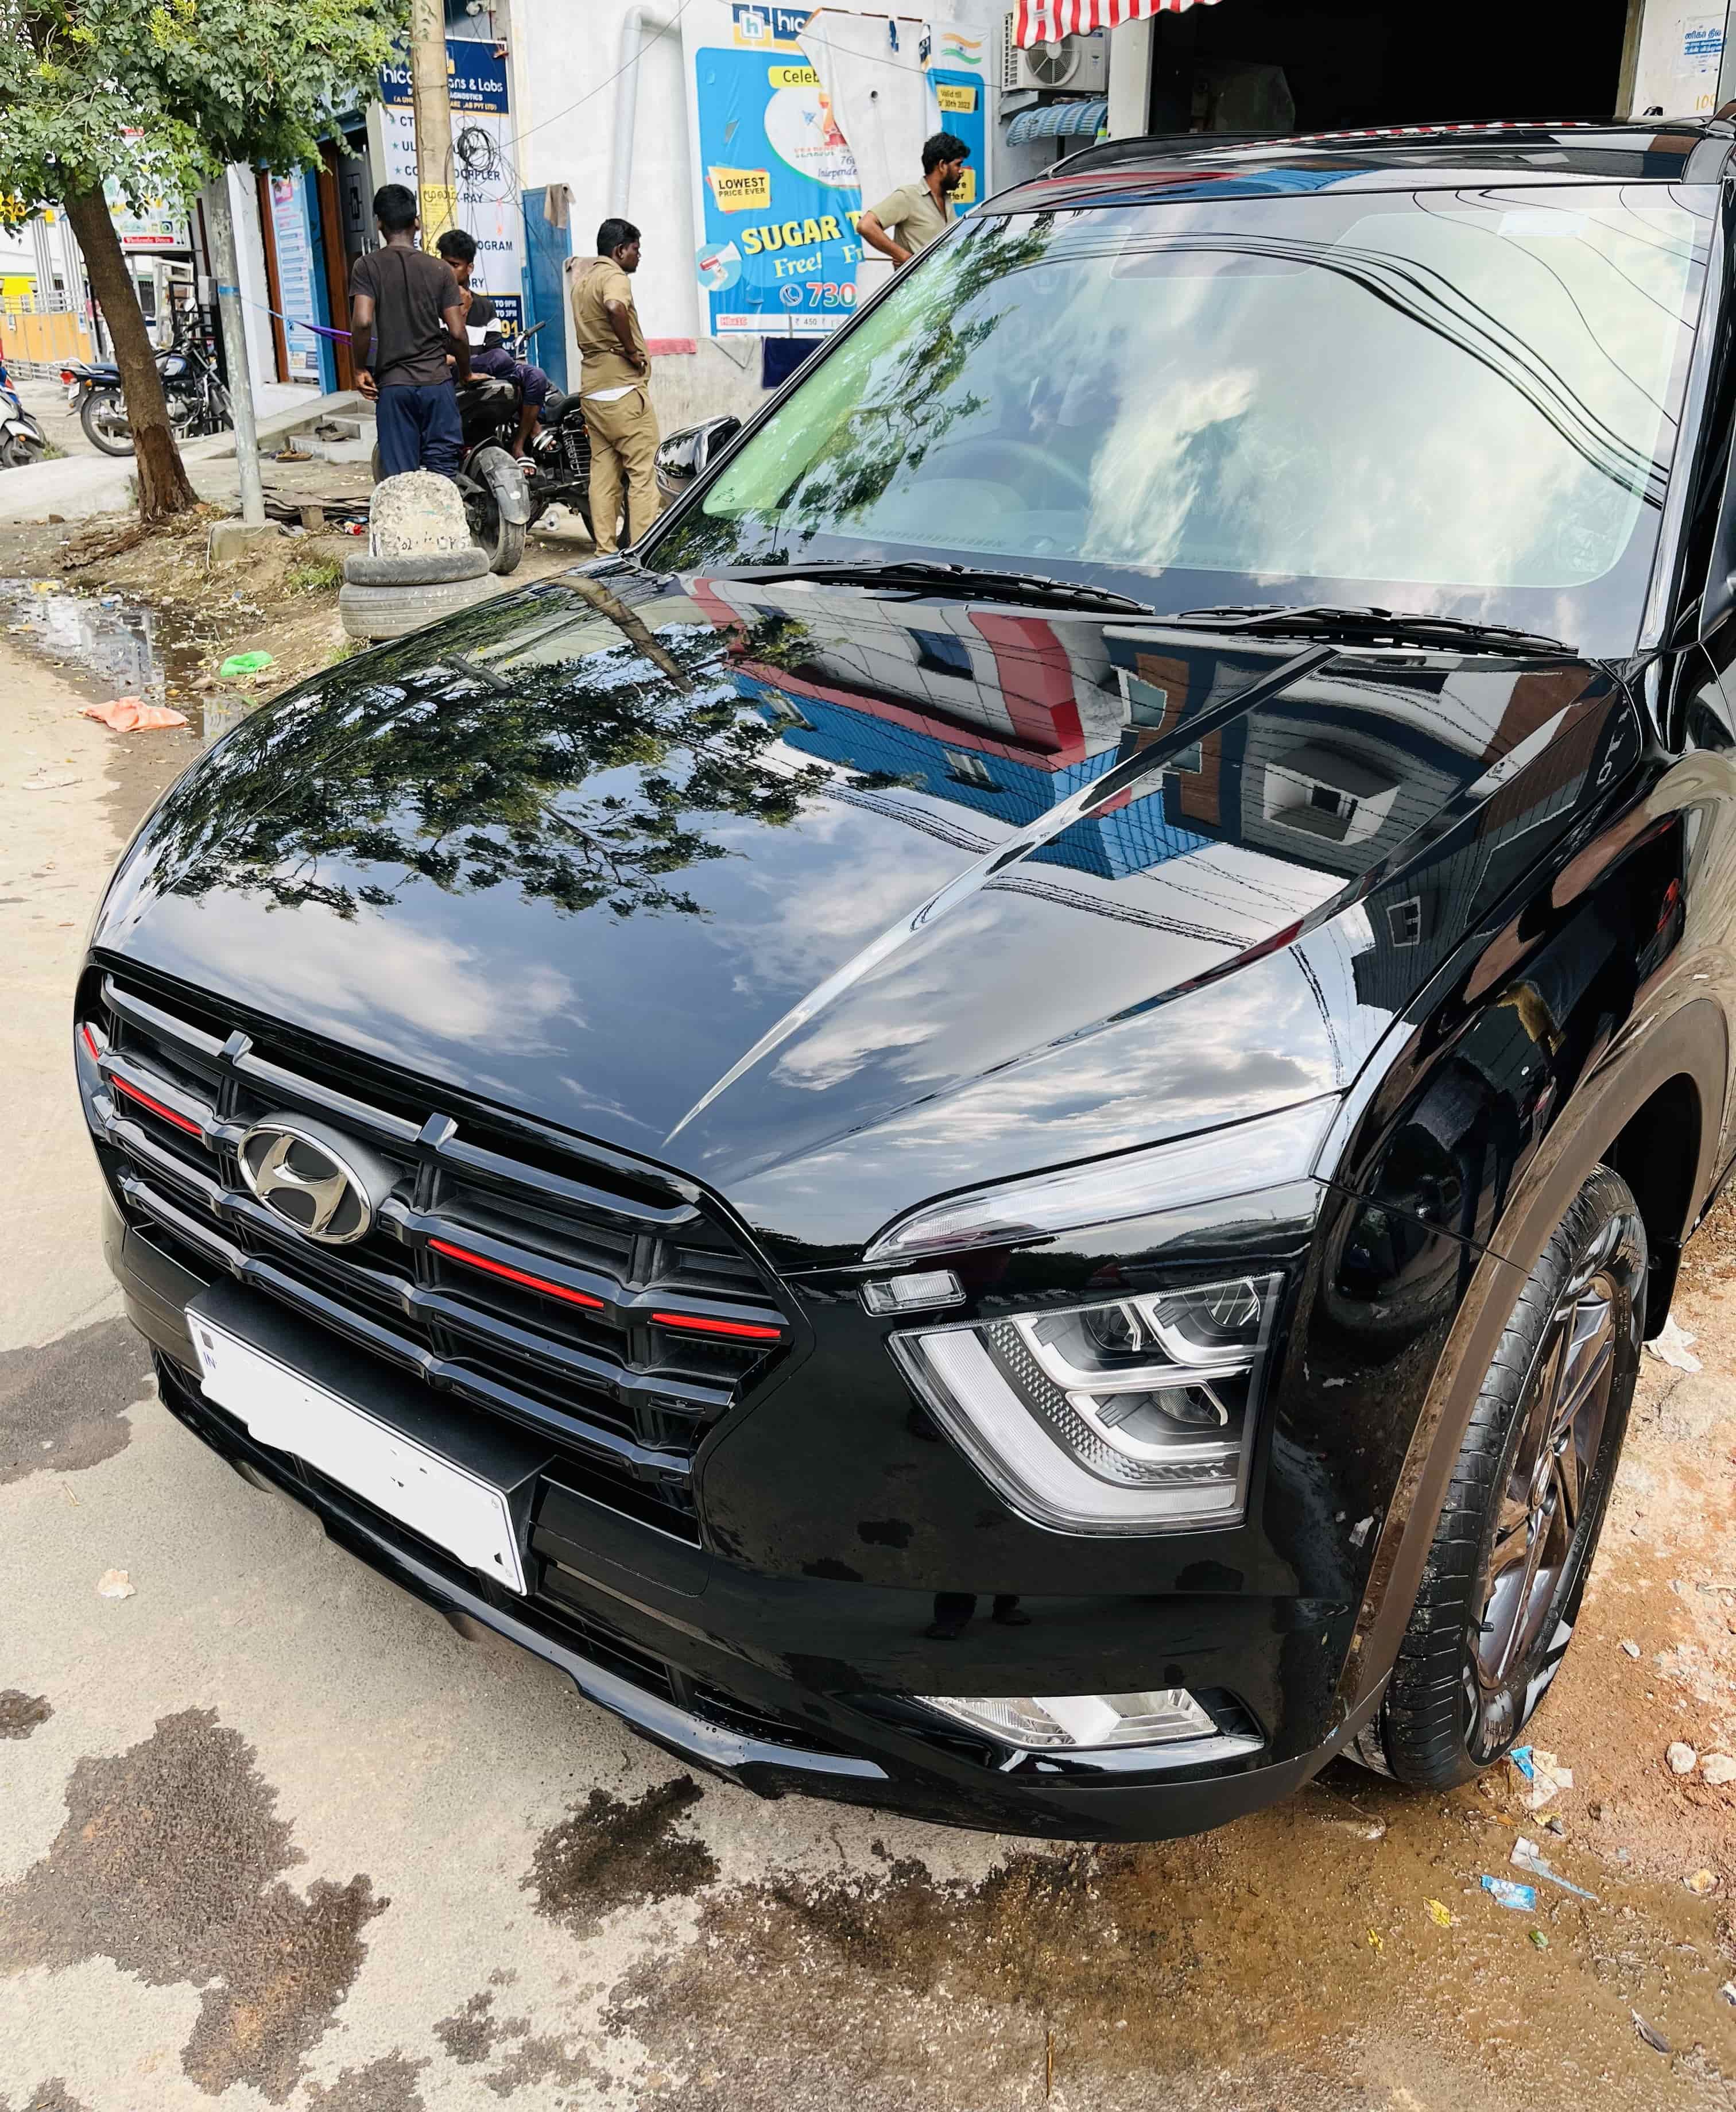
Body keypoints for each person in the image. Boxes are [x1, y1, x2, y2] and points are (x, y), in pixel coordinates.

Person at [348, 183, 471, 479]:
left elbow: (362, 321)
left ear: (379, 223)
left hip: (395, 387)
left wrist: (359, 368)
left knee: (400, 481)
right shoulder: (440, 270)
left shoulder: (367, 266)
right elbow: (457, 333)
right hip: (437, 385)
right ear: (416, 222)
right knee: (444, 477)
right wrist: (466, 373)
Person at [568, 218, 658, 556]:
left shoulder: (582, 283)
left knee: (603, 476)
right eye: (635, 249)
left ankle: (604, 552)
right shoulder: (614, 277)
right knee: (643, 474)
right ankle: (642, 553)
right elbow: (614, 306)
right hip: (623, 390)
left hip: (593, 391)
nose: (639, 256)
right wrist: (632, 352)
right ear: (620, 250)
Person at [433, 227, 549, 460]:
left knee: (536, 376)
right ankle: (537, 428)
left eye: (454, 265)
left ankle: (519, 446)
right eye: (444, 264)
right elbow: (439, 355)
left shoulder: (485, 307)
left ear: (470, 268)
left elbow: (494, 349)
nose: (447, 270)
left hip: (485, 368)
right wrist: (462, 313)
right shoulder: (433, 304)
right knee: (500, 359)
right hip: (452, 374)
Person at [857, 132, 971, 269]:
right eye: (958, 165)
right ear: (942, 165)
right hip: (919, 283)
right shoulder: (908, 197)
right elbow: (866, 226)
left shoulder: (947, 201)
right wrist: (905, 257)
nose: (961, 171)